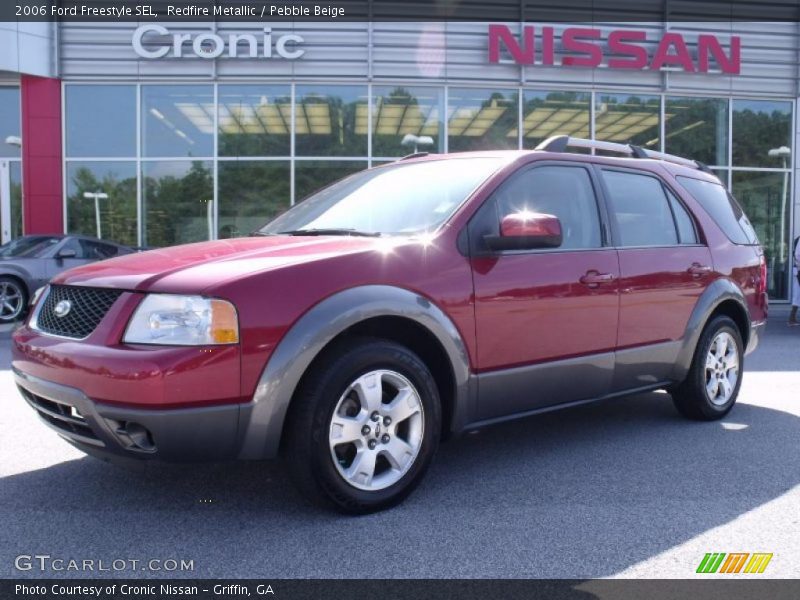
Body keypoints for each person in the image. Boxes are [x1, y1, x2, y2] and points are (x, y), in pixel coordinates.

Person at [790, 236, 800, 326]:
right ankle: (791, 318)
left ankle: (792, 318)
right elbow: (797, 255)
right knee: (797, 294)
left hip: (798, 270)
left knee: (797, 295)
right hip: (799, 270)